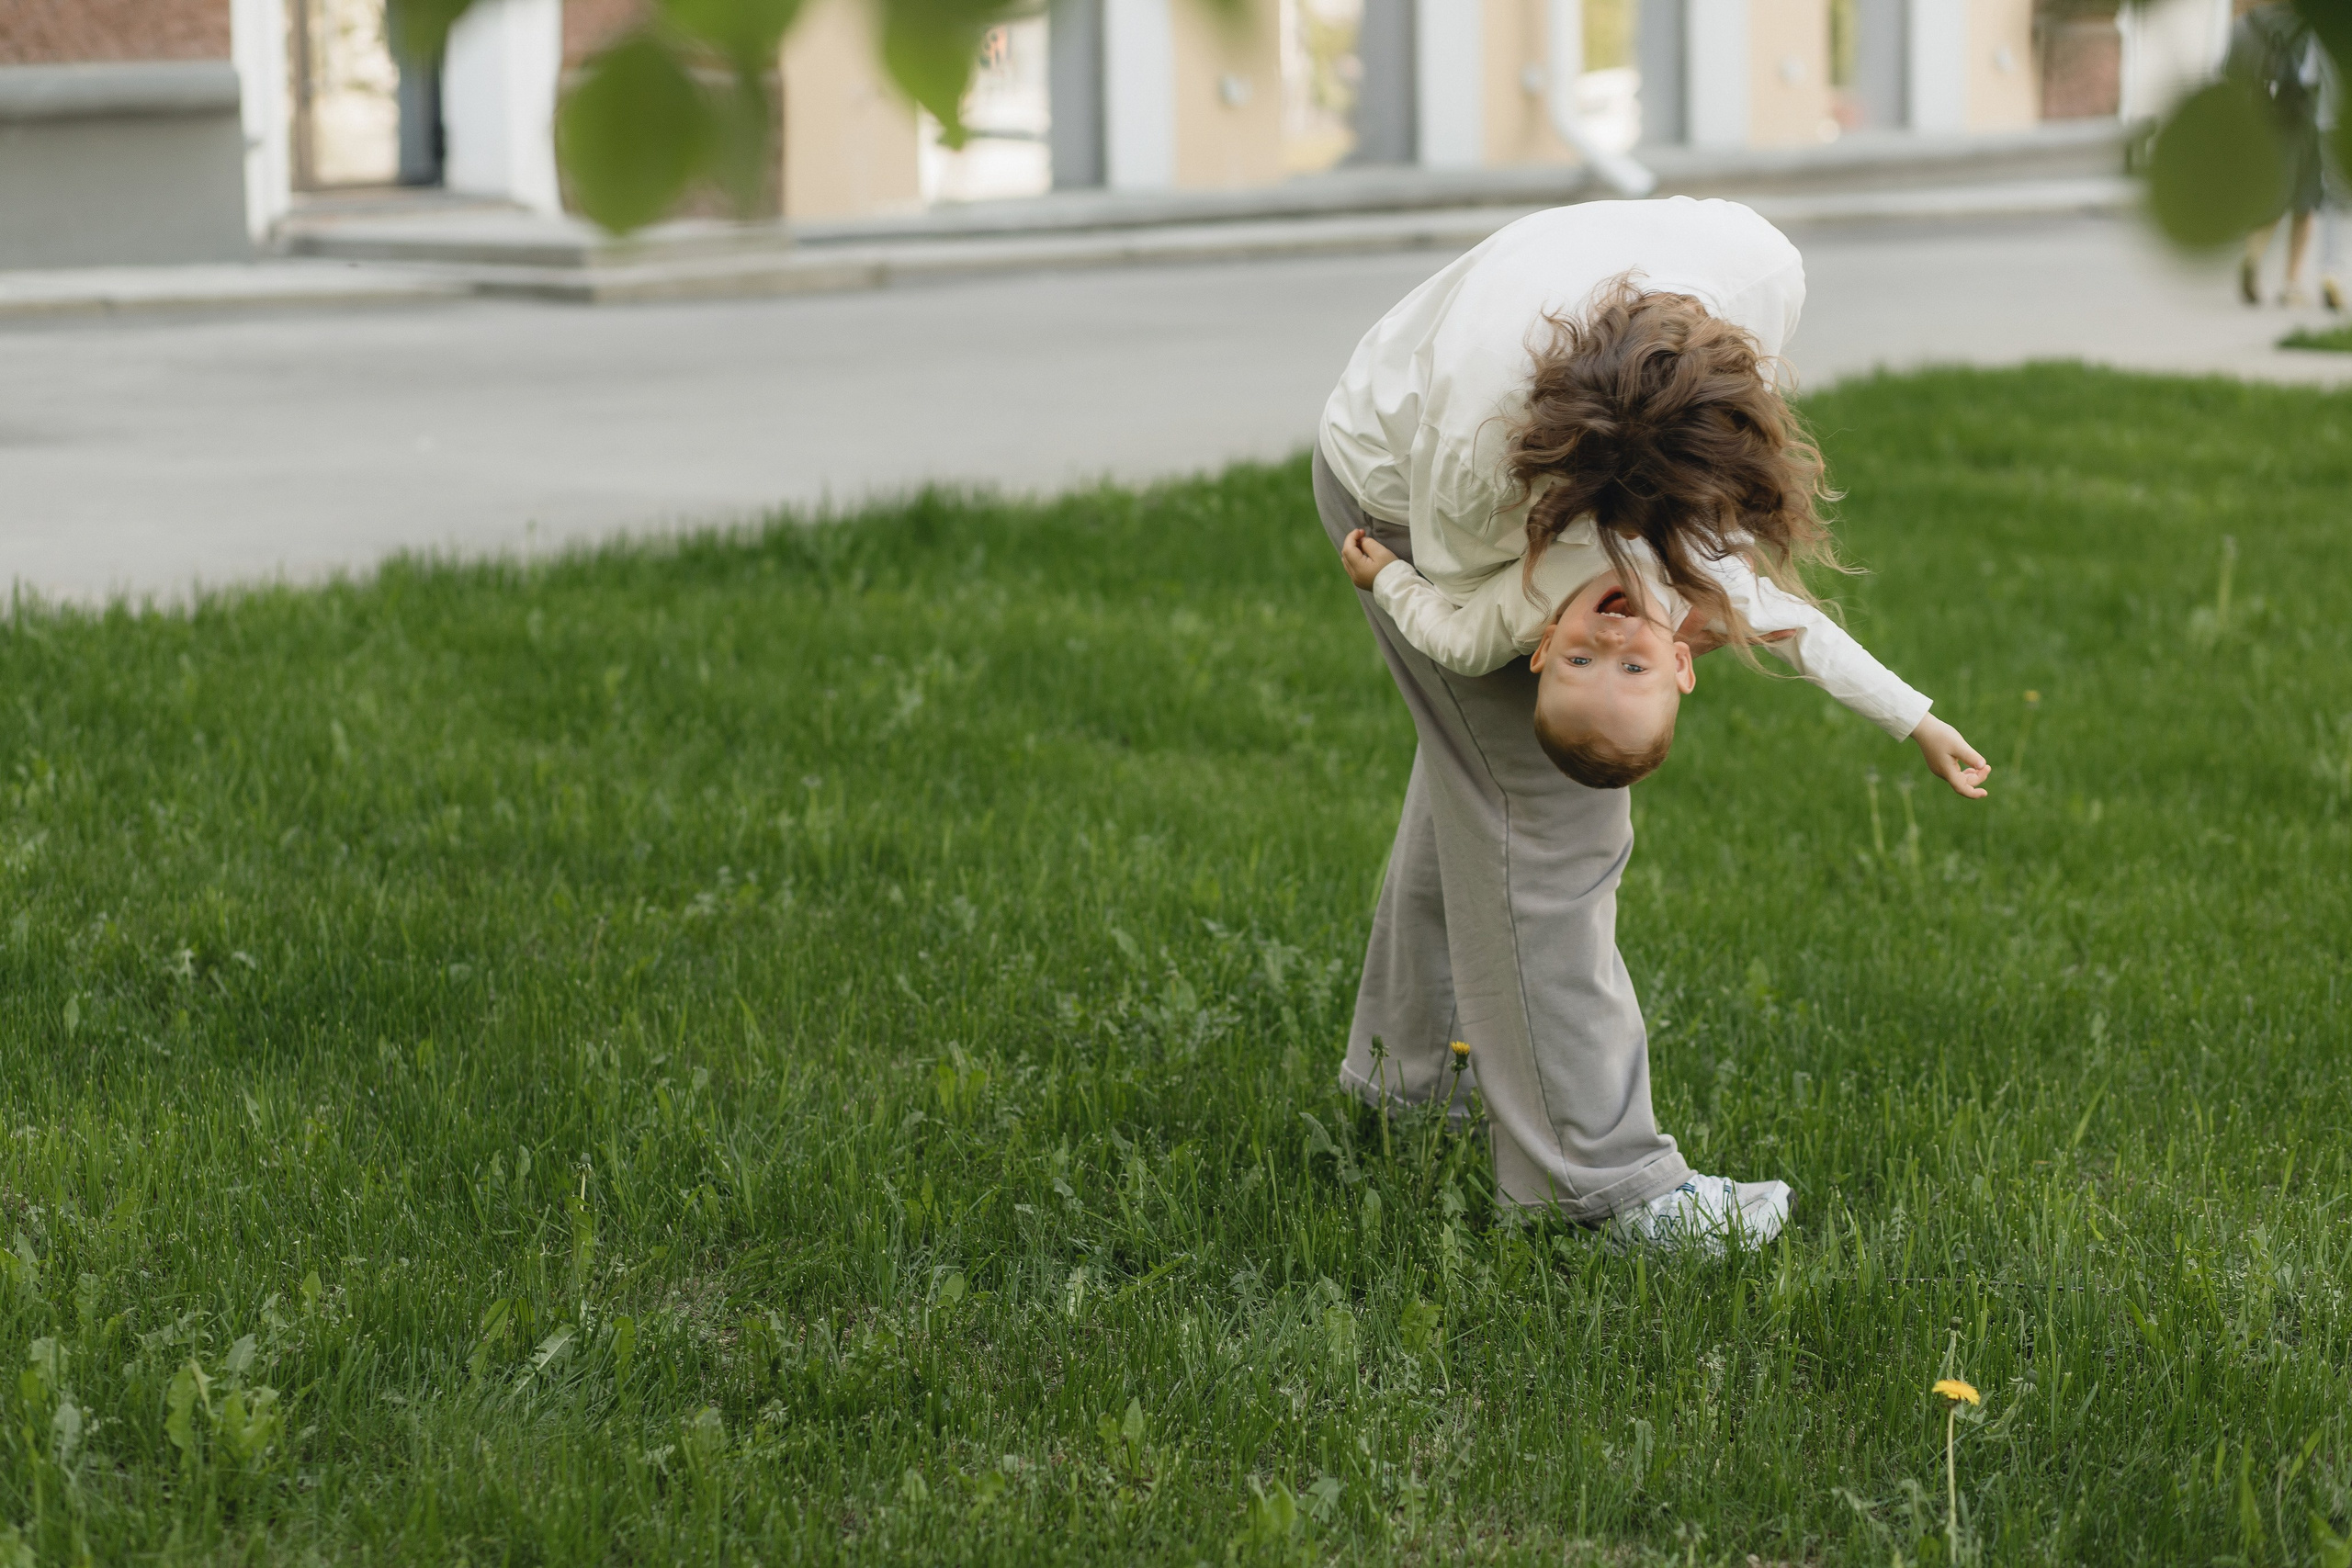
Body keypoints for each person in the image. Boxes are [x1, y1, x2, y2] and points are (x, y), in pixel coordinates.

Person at [1312, 197, 1989, 1251]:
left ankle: (1414, 1086)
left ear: (1687, 664)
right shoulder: (1484, 476)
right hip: (1412, 517)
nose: (1611, 628)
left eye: (1619, 655)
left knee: (1482, 779)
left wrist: (1916, 719)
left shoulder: (1756, 269)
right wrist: (1391, 574)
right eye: (1590, 654)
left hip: (1518, 484)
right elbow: (1453, 622)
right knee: (1542, 818)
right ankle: (1599, 1190)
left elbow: (1802, 631)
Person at [2230, 1, 2329, 308]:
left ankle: (2252, 254)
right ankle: (2291, 284)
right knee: (2304, 201)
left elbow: (2229, 70)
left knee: (2269, 193)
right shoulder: (2315, 25)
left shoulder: (2246, 24)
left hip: (2260, 116)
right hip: (2303, 117)